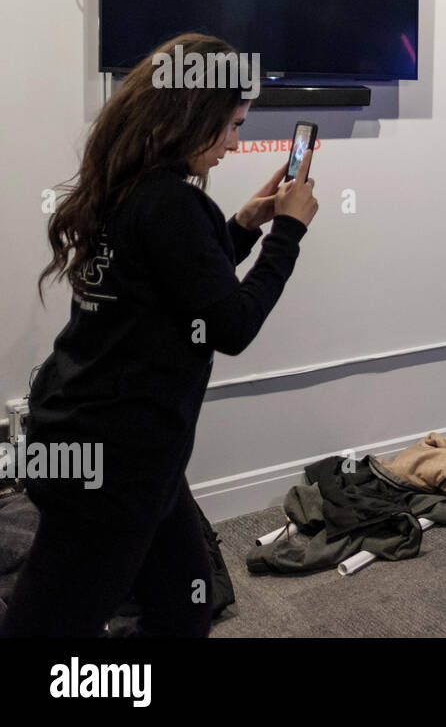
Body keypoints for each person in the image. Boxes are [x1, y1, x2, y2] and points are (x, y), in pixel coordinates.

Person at [0, 33, 318, 638]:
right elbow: (231, 325)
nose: (235, 143)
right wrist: (288, 235)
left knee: (183, 603)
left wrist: (247, 223)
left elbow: (178, 282)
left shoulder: (126, 184)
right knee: (50, 630)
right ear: (190, 119)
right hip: (117, 459)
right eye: (231, 126)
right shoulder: (172, 202)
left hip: (97, 438)